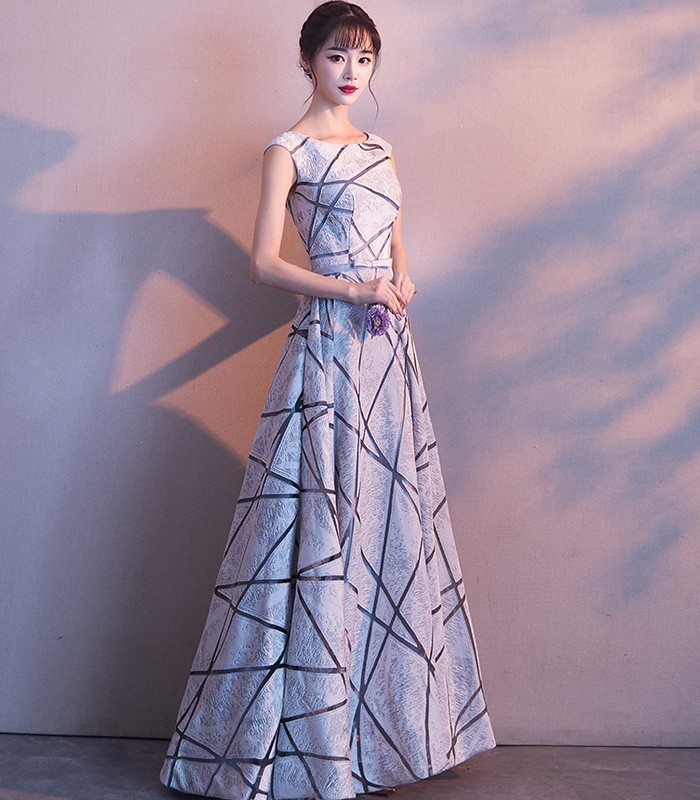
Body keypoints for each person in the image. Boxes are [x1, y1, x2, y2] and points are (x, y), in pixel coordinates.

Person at [159, 3, 496, 798]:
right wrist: (355, 289)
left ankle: (390, 743)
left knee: (387, 527)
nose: (352, 72)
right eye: (338, 55)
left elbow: (395, 241)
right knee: (310, 527)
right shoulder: (289, 150)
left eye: (365, 59)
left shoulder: (380, 149)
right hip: (328, 353)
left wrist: (400, 280)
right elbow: (263, 264)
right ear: (306, 59)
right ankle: (305, 747)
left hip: (387, 357)